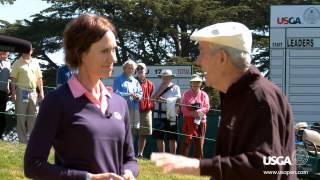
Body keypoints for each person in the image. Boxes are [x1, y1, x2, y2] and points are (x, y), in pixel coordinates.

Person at [151, 22, 297, 180]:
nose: (198, 61)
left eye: (201, 52)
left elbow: (267, 166)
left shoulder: (262, 98)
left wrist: (198, 166)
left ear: (221, 57)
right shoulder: (236, 94)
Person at [24, 14, 138, 180]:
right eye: (105, 51)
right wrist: (87, 178)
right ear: (82, 53)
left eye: (114, 50)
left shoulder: (119, 103)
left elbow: (130, 160)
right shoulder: (57, 101)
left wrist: (128, 173)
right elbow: (33, 165)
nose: (113, 58)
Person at [10, 49, 44, 144]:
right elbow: (13, 79)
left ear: (32, 51)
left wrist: (41, 92)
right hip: (22, 91)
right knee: (21, 116)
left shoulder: (35, 62)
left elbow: (39, 79)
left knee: (33, 116)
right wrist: (13, 93)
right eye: (24, 49)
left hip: (33, 92)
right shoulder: (17, 62)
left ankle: (32, 141)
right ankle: (23, 141)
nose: (27, 51)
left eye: (29, 49)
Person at [180, 74, 210, 159]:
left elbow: (207, 107)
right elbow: (183, 108)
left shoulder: (204, 94)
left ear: (200, 83)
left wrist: (196, 112)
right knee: (186, 142)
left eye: (198, 82)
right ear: (191, 83)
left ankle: (198, 163)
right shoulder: (186, 94)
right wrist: (191, 114)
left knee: (199, 143)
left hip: (201, 121)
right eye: (194, 82)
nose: (196, 84)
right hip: (188, 120)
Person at [152, 69, 181, 154]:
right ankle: (162, 157)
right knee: (159, 137)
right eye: (164, 77)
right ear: (161, 77)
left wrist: (165, 100)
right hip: (159, 114)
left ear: (171, 77)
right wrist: (160, 90)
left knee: (172, 137)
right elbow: (152, 99)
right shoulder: (157, 86)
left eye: (168, 77)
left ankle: (172, 158)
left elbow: (178, 100)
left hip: (172, 114)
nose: (166, 78)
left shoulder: (176, 87)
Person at [113, 60, 142, 140]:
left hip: (134, 108)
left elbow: (140, 93)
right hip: (122, 109)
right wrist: (129, 94)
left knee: (132, 131)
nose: (131, 70)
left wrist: (137, 97)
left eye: (133, 68)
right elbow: (115, 94)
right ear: (124, 68)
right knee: (122, 130)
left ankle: (130, 151)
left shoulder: (135, 81)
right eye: (129, 68)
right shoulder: (118, 79)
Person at [135, 63, 154, 158]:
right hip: (134, 111)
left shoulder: (150, 84)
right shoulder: (132, 82)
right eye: (138, 69)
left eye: (142, 69)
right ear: (136, 71)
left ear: (145, 71)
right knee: (131, 133)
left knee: (143, 134)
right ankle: (128, 154)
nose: (140, 70)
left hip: (146, 111)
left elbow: (150, 95)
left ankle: (139, 154)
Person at [0, 51, 11, 139]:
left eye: (6, 52)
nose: (4, 53)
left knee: (2, 113)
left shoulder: (9, 62)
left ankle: (0, 134)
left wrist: (8, 87)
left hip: (3, 92)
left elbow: (7, 77)